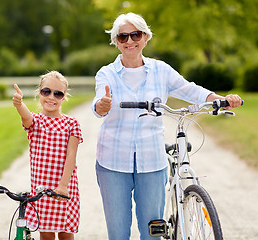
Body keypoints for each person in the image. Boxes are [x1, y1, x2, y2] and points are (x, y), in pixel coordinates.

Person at [91, 12, 242, 240]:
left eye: (135, 35)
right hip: (112, 161)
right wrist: (101, 105)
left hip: (152, 160)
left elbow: (190, 90)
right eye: (123, 37)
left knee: (152, 232)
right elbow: (98, 103)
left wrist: (221, 99)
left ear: (146, 37)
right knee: (118, 233)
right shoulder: (107, 73)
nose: (130, 41)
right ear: (116, 42)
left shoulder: (161, 70)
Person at [13, 71, 83, 240]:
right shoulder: (36, 122)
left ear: (64, 97)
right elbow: (26, 116)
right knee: (46, 234)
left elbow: (71, 155)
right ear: (39, 93)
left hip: (65, 186)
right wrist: (19, 104)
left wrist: (63, 186)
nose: (51, 97)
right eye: (46, 91)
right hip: (41, 190)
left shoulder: (71, 123)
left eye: (58, 94)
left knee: (66, 234)